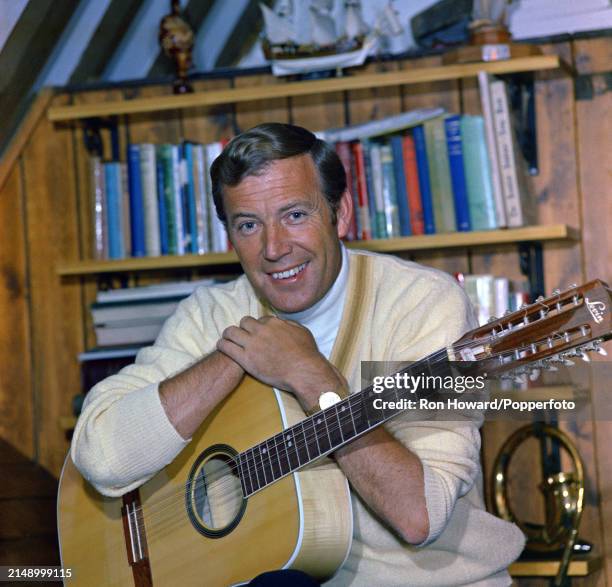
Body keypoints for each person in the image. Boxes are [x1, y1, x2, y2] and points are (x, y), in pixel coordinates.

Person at [71, 122, 524, 586]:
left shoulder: (424, 305)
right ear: (229, 235)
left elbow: (419, 516)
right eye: (249, 224)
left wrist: (313, 379)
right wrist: (234, 355)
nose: (274, 248)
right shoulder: (211, 315)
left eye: (294, 215)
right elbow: (102, 458)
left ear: (340, 213)